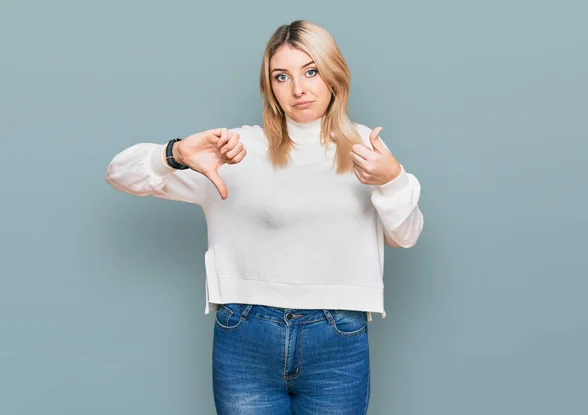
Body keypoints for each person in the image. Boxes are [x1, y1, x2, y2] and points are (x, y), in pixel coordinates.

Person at [105, 19, 423, 415]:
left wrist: (392, 180)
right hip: (246, 335)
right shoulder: (237, 150)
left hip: (337, 337)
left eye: (311, 71)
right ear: (270, 87)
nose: (299, 88)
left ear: (334, 75)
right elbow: (118, 173)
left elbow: (405, 235)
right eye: (281, 77)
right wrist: (178, 153)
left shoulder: (364, 147)